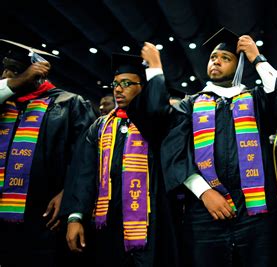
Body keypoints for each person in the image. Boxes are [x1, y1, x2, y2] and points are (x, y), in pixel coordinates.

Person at [126, 27, 277, 267]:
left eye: (225, 58)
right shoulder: (190, 105)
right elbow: (171, 147)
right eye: (213, 58)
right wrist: (204, 192)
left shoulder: (257, 100)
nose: (216, 61)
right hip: (204, 213)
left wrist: (257, 58)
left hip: (256, 213)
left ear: (239, 66)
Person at [62, 43, 179, 267]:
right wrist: (75, 216)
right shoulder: (100, 126)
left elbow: (155, 110)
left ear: (143, 87)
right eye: (115, 84)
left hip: (150, 224)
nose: (118, 89)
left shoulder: (155, 123)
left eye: (126, 84)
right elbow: (83, 173)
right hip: (108, 225)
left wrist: (155, 66)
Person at [0, 39, 96, 266]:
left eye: (13, 70)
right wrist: (14, 83)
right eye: (4, 68)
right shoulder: (5, 102)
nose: (5, 75)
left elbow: (86, 159)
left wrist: (67, 193)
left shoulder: (69, 104)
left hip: (44, 216)